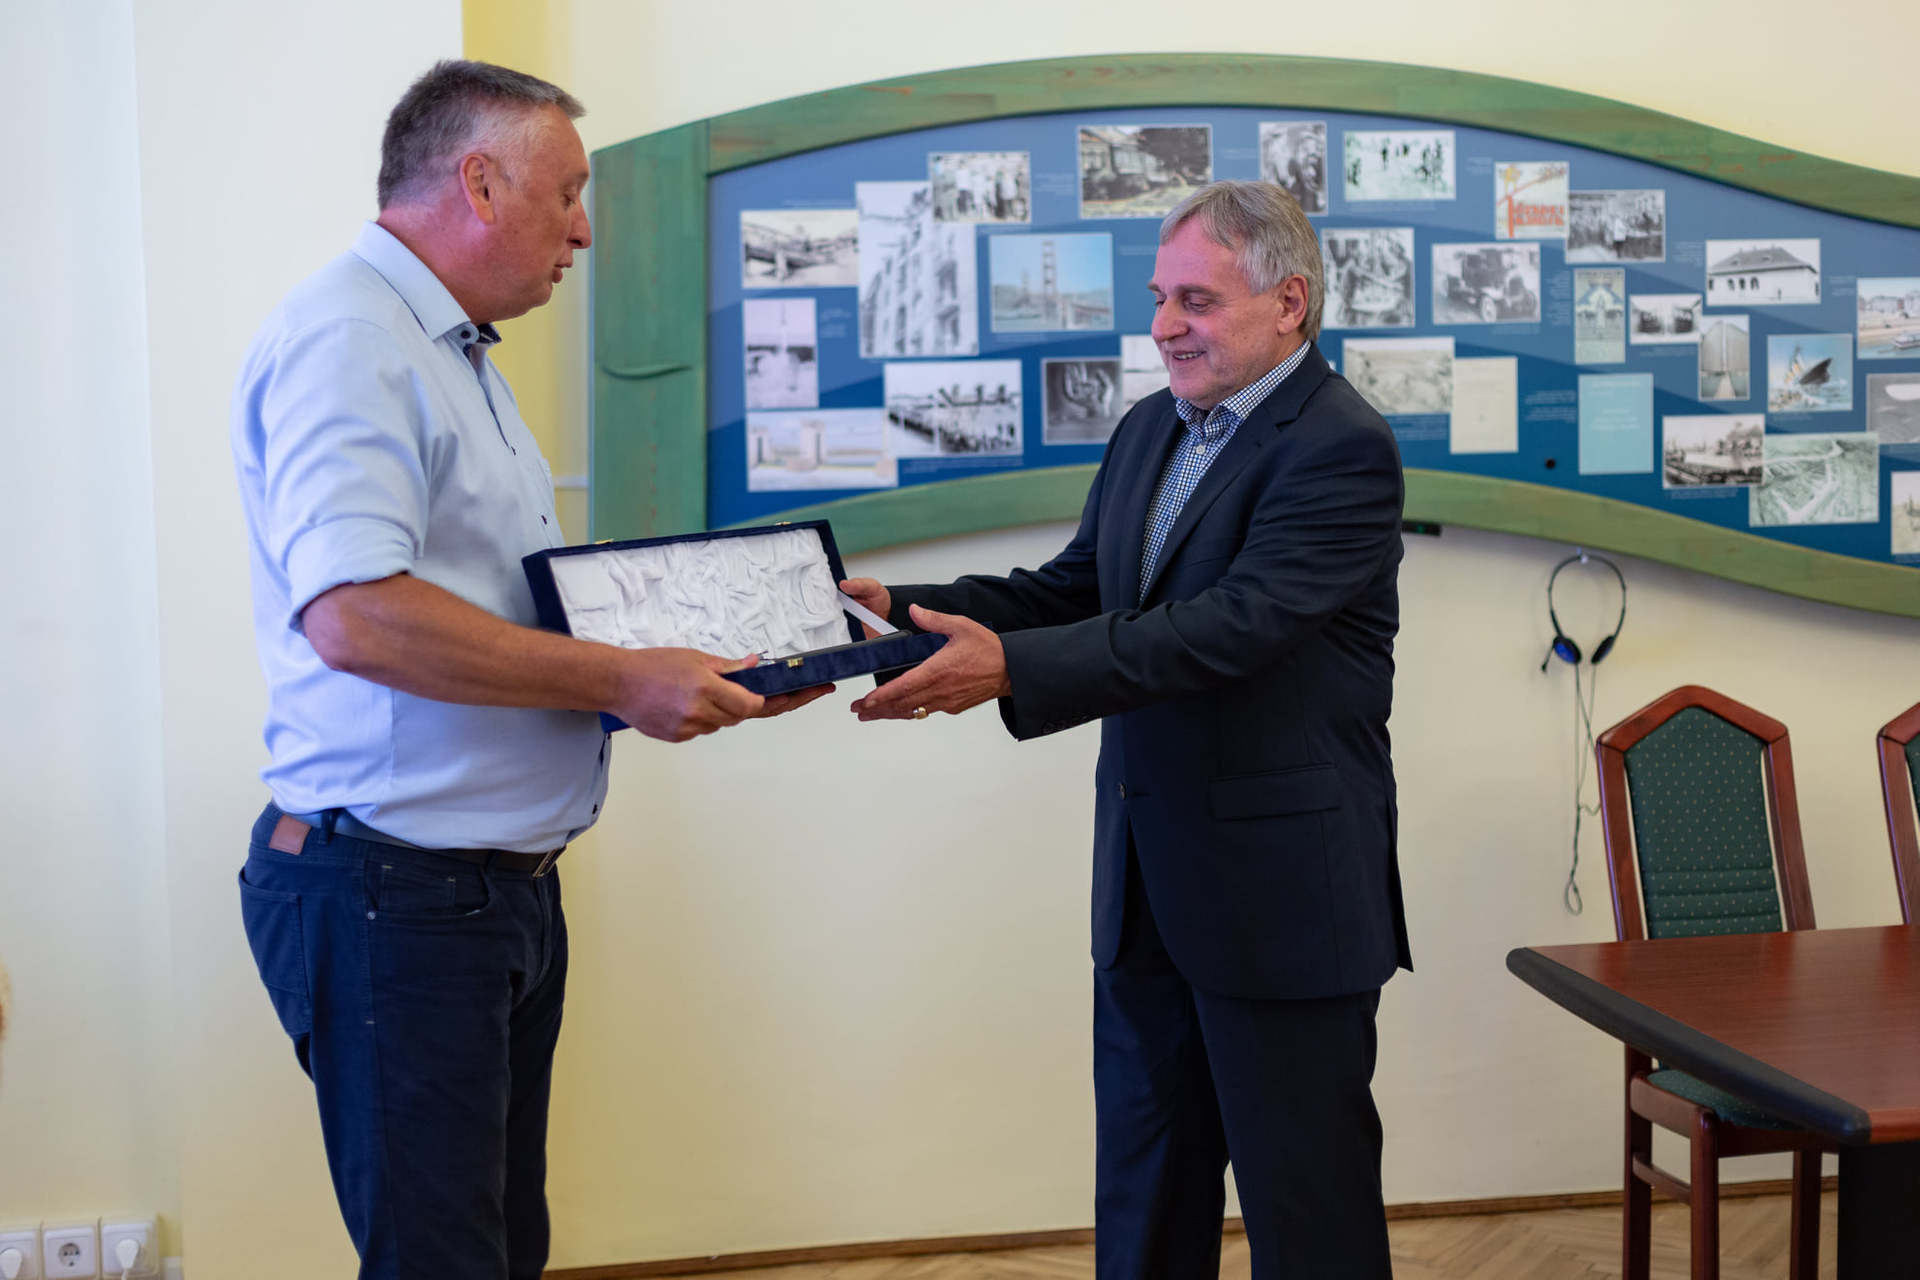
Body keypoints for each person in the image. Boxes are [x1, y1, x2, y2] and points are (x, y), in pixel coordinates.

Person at [230, 60, 828, 1280]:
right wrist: (621, 678)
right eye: (567, 194)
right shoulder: (352, 341)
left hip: (481, 891)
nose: (583, 230)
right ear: (480, 182)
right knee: (445, 1257)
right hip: (399, 891)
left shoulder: (447, 350)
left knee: (500, 1247)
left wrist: (723, 643)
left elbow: (498, 602)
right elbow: (354, 615)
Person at [843, 180, 1408, 1278]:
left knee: (1310, 1217)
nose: (1163, 326)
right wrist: (896, 611)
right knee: (1145, 1199)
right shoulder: (1155, 426)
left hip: (1284, 899)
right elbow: (1075, 589)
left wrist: (1011, 668)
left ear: (1289, 302)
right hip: (1148, 888)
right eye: (1159, 298)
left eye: (1196, 300)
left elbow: (1229, 628)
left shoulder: (1341, 446)